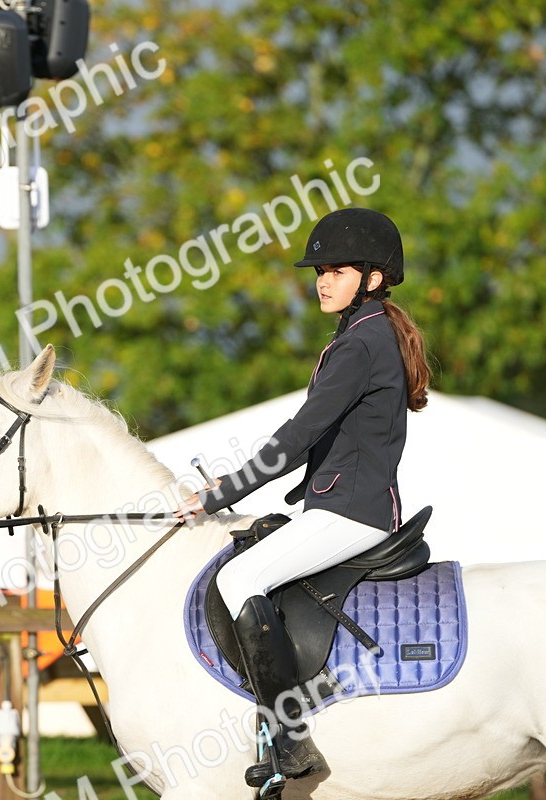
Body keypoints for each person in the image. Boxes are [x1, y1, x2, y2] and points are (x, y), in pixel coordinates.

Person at [173, 207, 431, 785]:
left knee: (238, 578)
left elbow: (298, 437)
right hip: (343, 504)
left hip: (352, 511)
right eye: (320, 271)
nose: (322, 281)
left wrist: (220, 493)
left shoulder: (361, 344)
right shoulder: (364, 334)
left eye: (337, 271)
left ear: (372, 278)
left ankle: (289, 740)